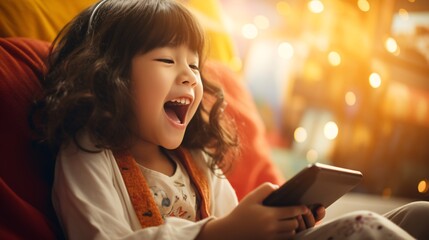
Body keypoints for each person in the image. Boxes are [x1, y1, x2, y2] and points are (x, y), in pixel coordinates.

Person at [33, 0, 429, 239]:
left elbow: (238, 224)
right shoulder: (88, 154)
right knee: (360, 227)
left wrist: (283, 222)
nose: (190, 75)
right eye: (168, 60)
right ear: (110, 74)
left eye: (194, 63)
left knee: (418, 214)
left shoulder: (198, 160)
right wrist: (218, 234)